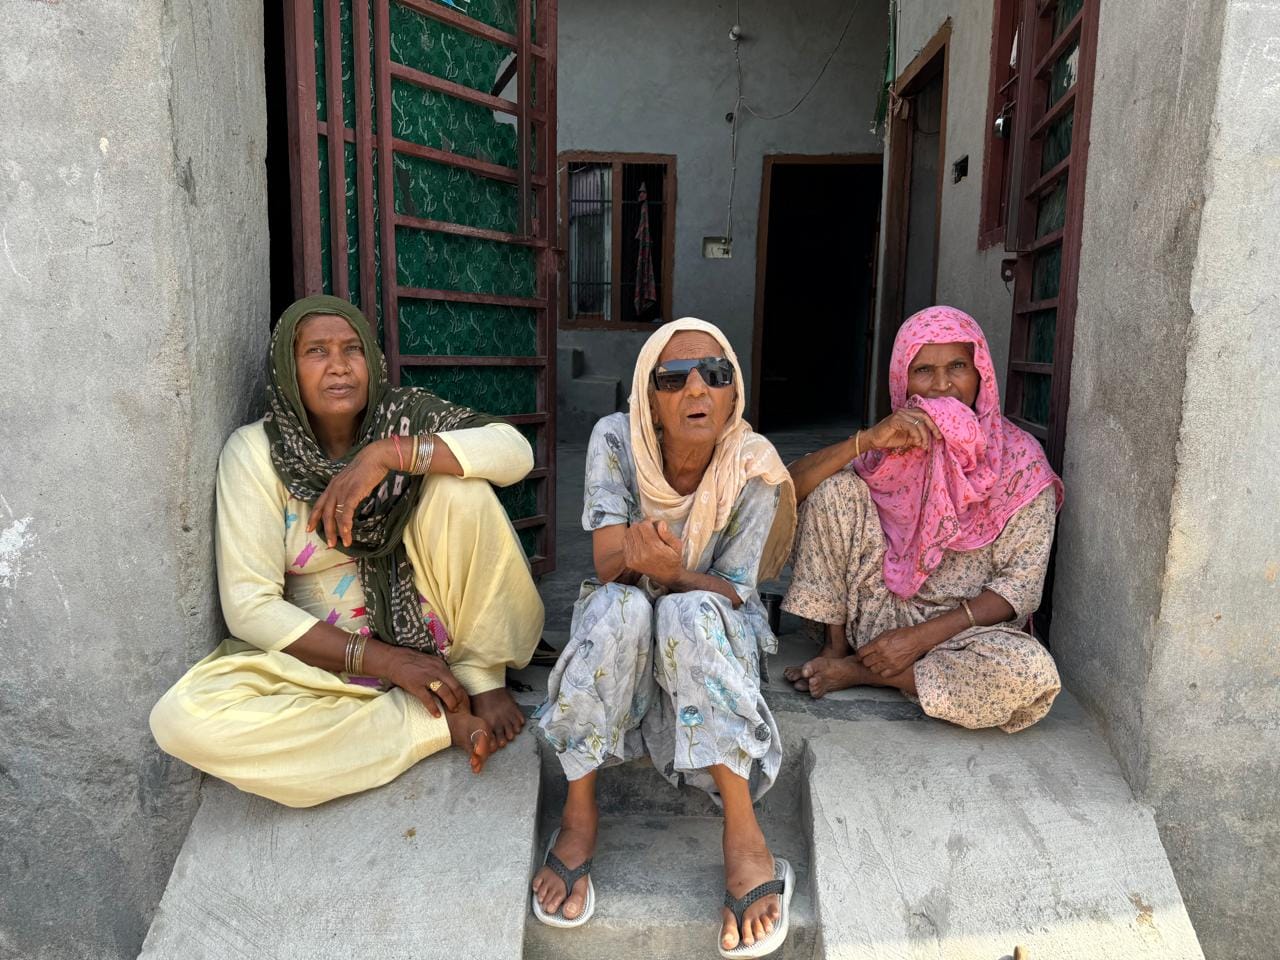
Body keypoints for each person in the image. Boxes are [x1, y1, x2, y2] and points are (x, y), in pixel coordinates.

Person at [149, 295, 544, 807]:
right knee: (180, 720)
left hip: (438, 637)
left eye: (352, 349)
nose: (339, 365)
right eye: (316, 351)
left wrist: (388, 454)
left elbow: (515, 452)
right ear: (287, 370)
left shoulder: (403, 419)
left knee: (458, 485)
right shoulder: (255, 454)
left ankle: (479, 676)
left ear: (372, 362)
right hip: (326, 668)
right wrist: (387, 661)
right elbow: (249, 606)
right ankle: (427, 723)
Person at [531, 319, 798, 958]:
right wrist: (641, 563)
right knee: (621, 606)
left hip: (710, 624)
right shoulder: (614, 438)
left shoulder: (753, 465)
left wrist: (674, 574)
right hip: (625, 618)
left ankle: (744, 834)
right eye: (673, 379)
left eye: (715, 374)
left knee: (688, 610)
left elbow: (736, 589)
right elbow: (606, 564)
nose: (696, 389)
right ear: (649, 400)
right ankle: (579, 813)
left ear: (733, 394)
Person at [782, 305, 1063, 733]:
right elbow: (790, 489)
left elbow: (1019, 589)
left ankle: (861, 672)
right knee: (833, 488)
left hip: (960, 635)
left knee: (1029, 673)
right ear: (902, 380)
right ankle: (835, 648)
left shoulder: (1021, 461)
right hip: (871, 614)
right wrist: (867, 440)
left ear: (981, 374)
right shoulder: (890, 443)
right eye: (924, 370)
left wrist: (917, 640)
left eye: (957, 367)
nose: (942, 385)